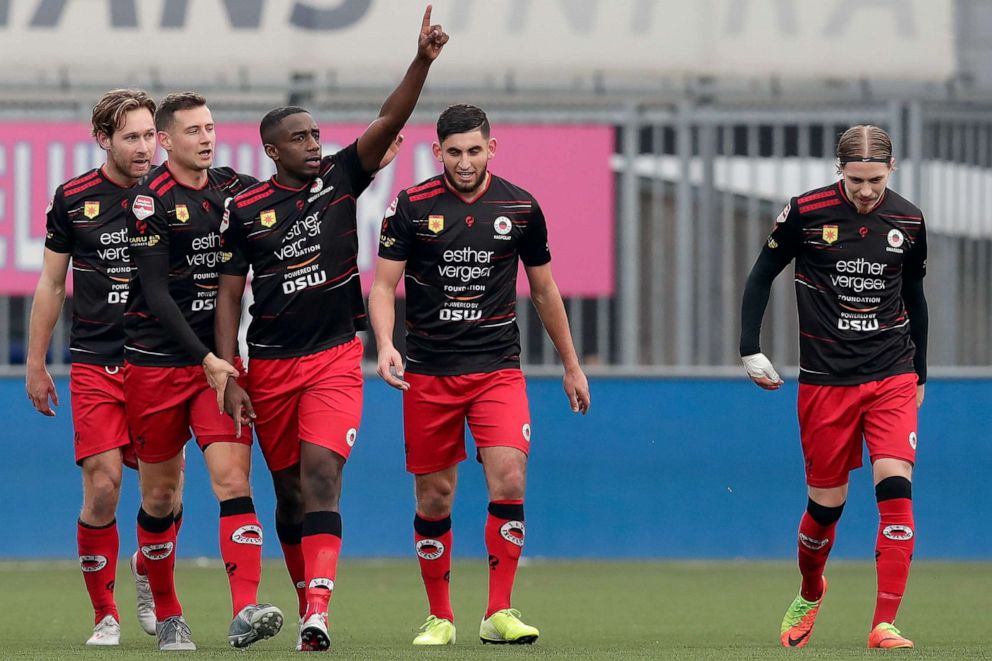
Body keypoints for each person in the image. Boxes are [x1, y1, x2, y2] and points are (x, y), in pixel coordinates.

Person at [211, 6, 448, 652]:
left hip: (334, 358)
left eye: (317, 134)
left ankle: (318, 610)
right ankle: (303, 594)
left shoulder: (343, 178)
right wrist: (228, 366)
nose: (315, 143)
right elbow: (230, 295)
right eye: (301, 137)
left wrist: (422, 61)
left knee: (321, 475)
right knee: (288, 497)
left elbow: (389, 120)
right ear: (271, 149)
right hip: (270, 365)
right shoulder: (246, 210)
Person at [368, 103, 591, 646]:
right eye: (454, 151)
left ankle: (498, 611)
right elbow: (381, 287)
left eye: (474, 150)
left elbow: (544, 290)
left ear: (491, 148)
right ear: (437, 150)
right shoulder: (411, 206)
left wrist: (571, 364)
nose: (464, 162)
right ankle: (440, 616)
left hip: (496, 371)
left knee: (510, 477)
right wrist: (384, 346)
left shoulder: (520, 206)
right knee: (434, 498)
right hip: (429, 373)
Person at [739, 125, 928, 650]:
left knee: (895, 488)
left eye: (874, 179)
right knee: (825, 510)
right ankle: (810, 587)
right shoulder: (806, 212)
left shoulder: (908, 219)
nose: (866, 191)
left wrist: (922, 373)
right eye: (855, 179)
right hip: (826, 383)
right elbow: (761, 276)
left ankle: (884, 623)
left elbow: (914, 295)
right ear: (837, 170)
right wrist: (749, 348)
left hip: (891, 372)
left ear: (892, 169)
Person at [123, 92, 282, 651]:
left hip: (220, 368)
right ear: (165, 140)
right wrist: (207, 359)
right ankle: (167, 610)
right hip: (158, 365)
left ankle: (246, 609)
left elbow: (295, 196)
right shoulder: (148, 202)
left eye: (211, 128)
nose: (207, 138)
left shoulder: (233, 189)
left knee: (234, 481)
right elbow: (154, 293)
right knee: (161, 498)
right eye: (193, 130)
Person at [25, 88, 183, 646]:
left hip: (161, 363)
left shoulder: (173, 194)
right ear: (104, 139)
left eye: (149, 136)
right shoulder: (73, 198)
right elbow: (49, 282)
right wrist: (37, 361)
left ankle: (148, 570)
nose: (145, 149)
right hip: (96, 361)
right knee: (104, 485)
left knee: (164, 496)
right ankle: (105, 614)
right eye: (132, 137)